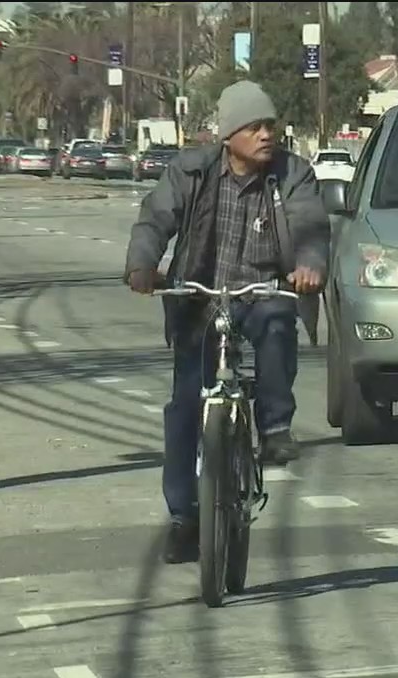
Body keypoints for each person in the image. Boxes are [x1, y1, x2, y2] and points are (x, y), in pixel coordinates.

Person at [123, 80, 330, 563]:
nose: (266, 135)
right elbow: (156, 218)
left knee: (278, 324)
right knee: (182, 410)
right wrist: (141, 266)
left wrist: (308, 266)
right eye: (254, 127)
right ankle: (183, 517)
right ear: (229, 134)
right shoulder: (192, 172)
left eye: (270, 127)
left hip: (262, 293)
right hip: (201, 298)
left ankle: (275, 428)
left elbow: (310, 226)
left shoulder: (292, 176)